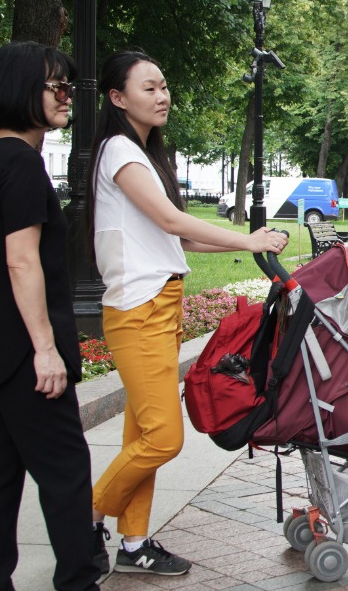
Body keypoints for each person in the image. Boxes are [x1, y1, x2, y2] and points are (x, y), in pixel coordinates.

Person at [85, 51, 285, 576]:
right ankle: (78, 519)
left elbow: (182, 242)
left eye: (164, 86)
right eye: (148, 88)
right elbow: (174, 221)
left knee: (140, 437)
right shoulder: (118, 152)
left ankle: (133, 546)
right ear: (116, 97)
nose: (162, 95)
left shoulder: (144, 156)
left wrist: (246, 247)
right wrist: (247, 235)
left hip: (160, 305)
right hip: (138, 310)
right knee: (162, 439)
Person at [0, 42, 105, 591]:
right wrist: (46, 347)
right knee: (66, 473)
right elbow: (21, 261)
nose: (67, 96)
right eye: (56, 88)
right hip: (24, 355)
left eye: (68, 86)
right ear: (24, 93)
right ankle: (78, 581)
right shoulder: (19, 162)